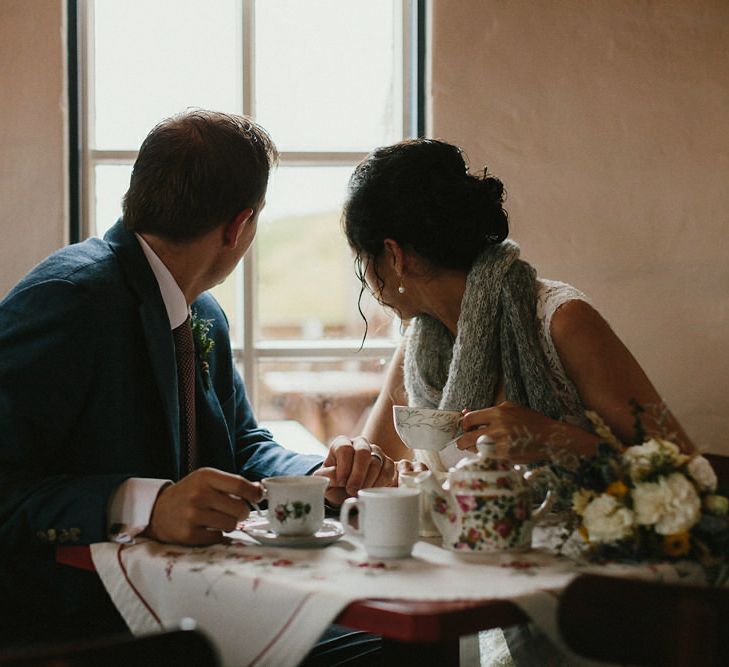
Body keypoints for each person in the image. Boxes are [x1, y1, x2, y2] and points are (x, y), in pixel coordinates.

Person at [0, 110, 395, 657]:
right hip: (77, 626)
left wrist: (316, 474)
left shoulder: (202, 312)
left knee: (382, 641)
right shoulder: (68, 300)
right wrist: (144, 505)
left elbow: (243, 444)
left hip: (197, 600)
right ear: (239, 226)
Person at [341, 138, 696, 665]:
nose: (369, 283)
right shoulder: (417, 344)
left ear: (392, 256)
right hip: (477, 598)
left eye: (362, 262)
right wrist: (356, 463)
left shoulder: (560, 321)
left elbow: (689, 476)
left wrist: (559, 441)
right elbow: (380, 472)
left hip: (596, 606)